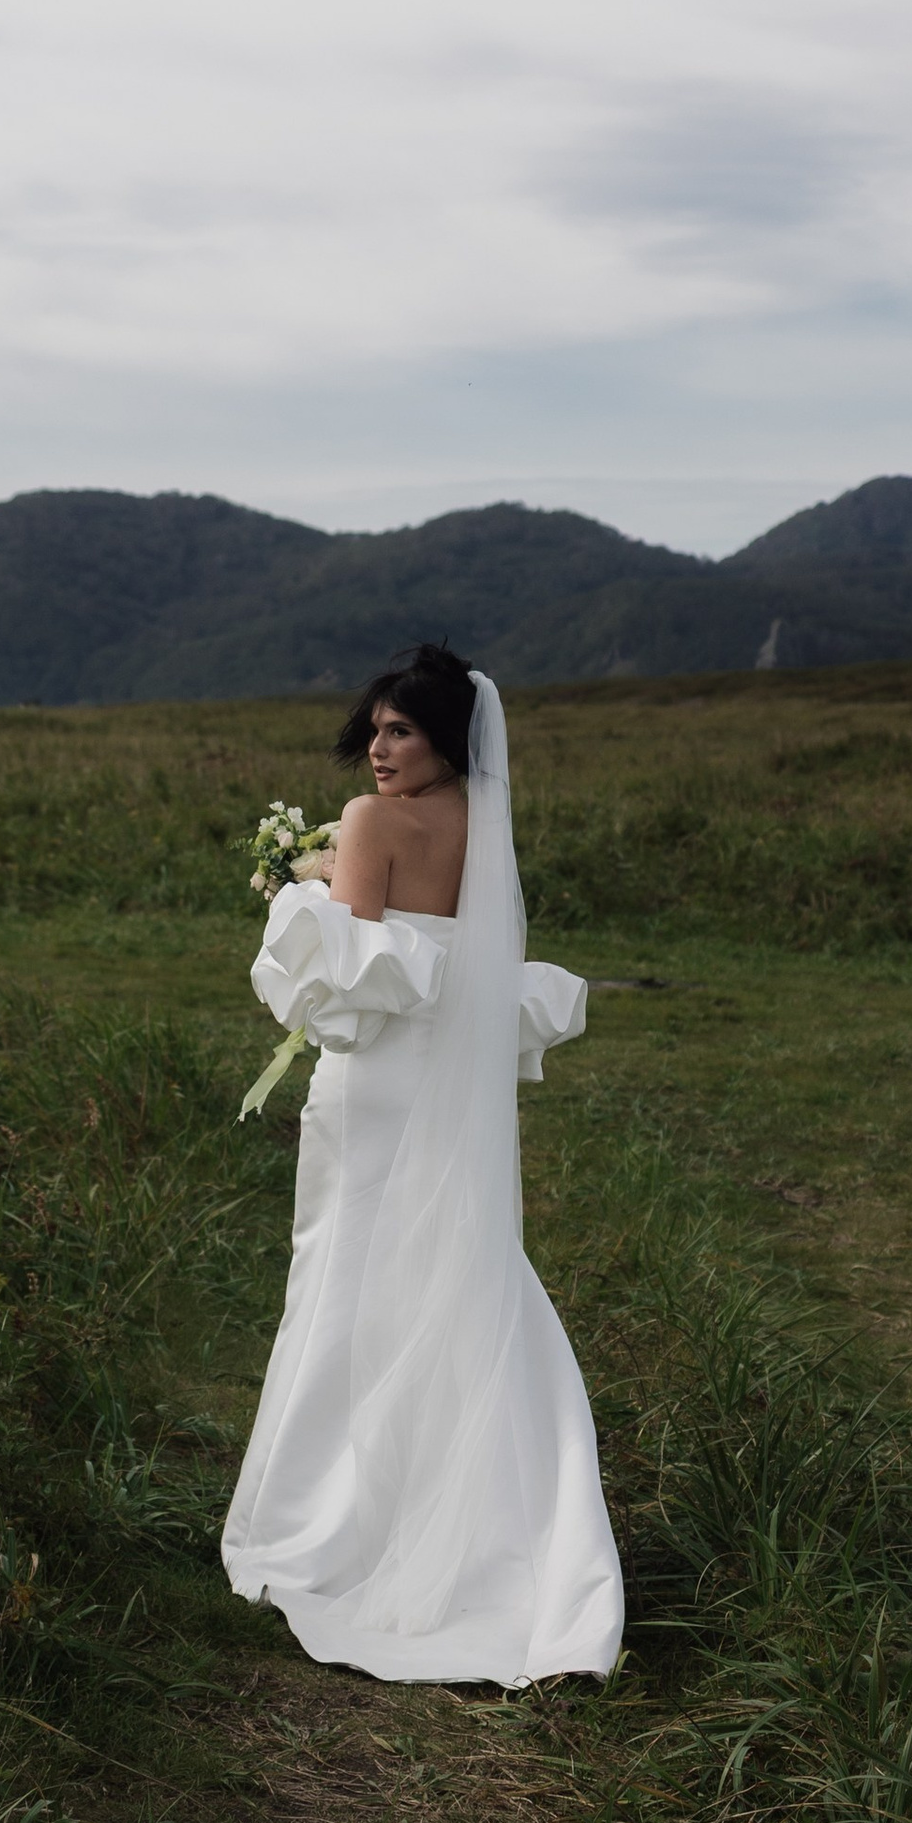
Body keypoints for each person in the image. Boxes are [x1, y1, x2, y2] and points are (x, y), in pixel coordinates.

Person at [221, 646, 625, 1688]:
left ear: (448, 734)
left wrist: (300, 892)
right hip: (452, 1091)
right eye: (373, 728)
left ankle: (336, 1524)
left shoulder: (363, 824)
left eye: (399, 730)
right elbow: (452, 957)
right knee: (457, 1275)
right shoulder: (484, 827)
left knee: (350, 1284)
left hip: (380, 1088)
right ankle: (500, 1524)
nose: (375, 748)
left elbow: (350, 982)